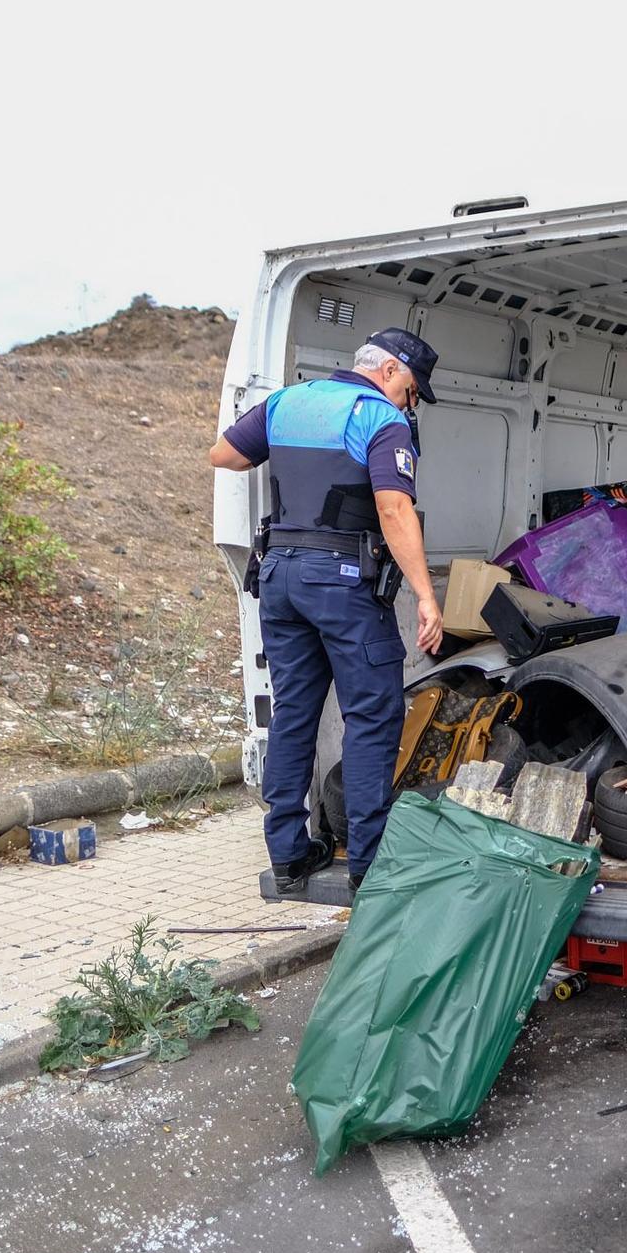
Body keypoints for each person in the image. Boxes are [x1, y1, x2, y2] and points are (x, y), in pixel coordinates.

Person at [209, 328, 446, 897]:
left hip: (280, 578)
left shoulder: (289, 401)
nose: (410, 405)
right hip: (340, 581)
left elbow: (225, 454)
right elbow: (393, 510)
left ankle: (290, 858)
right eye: (413, 392)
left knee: (293, 712)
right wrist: (426, 596)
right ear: (390, 372)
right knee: (372, 716)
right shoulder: (378, 418)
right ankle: (369, 865)